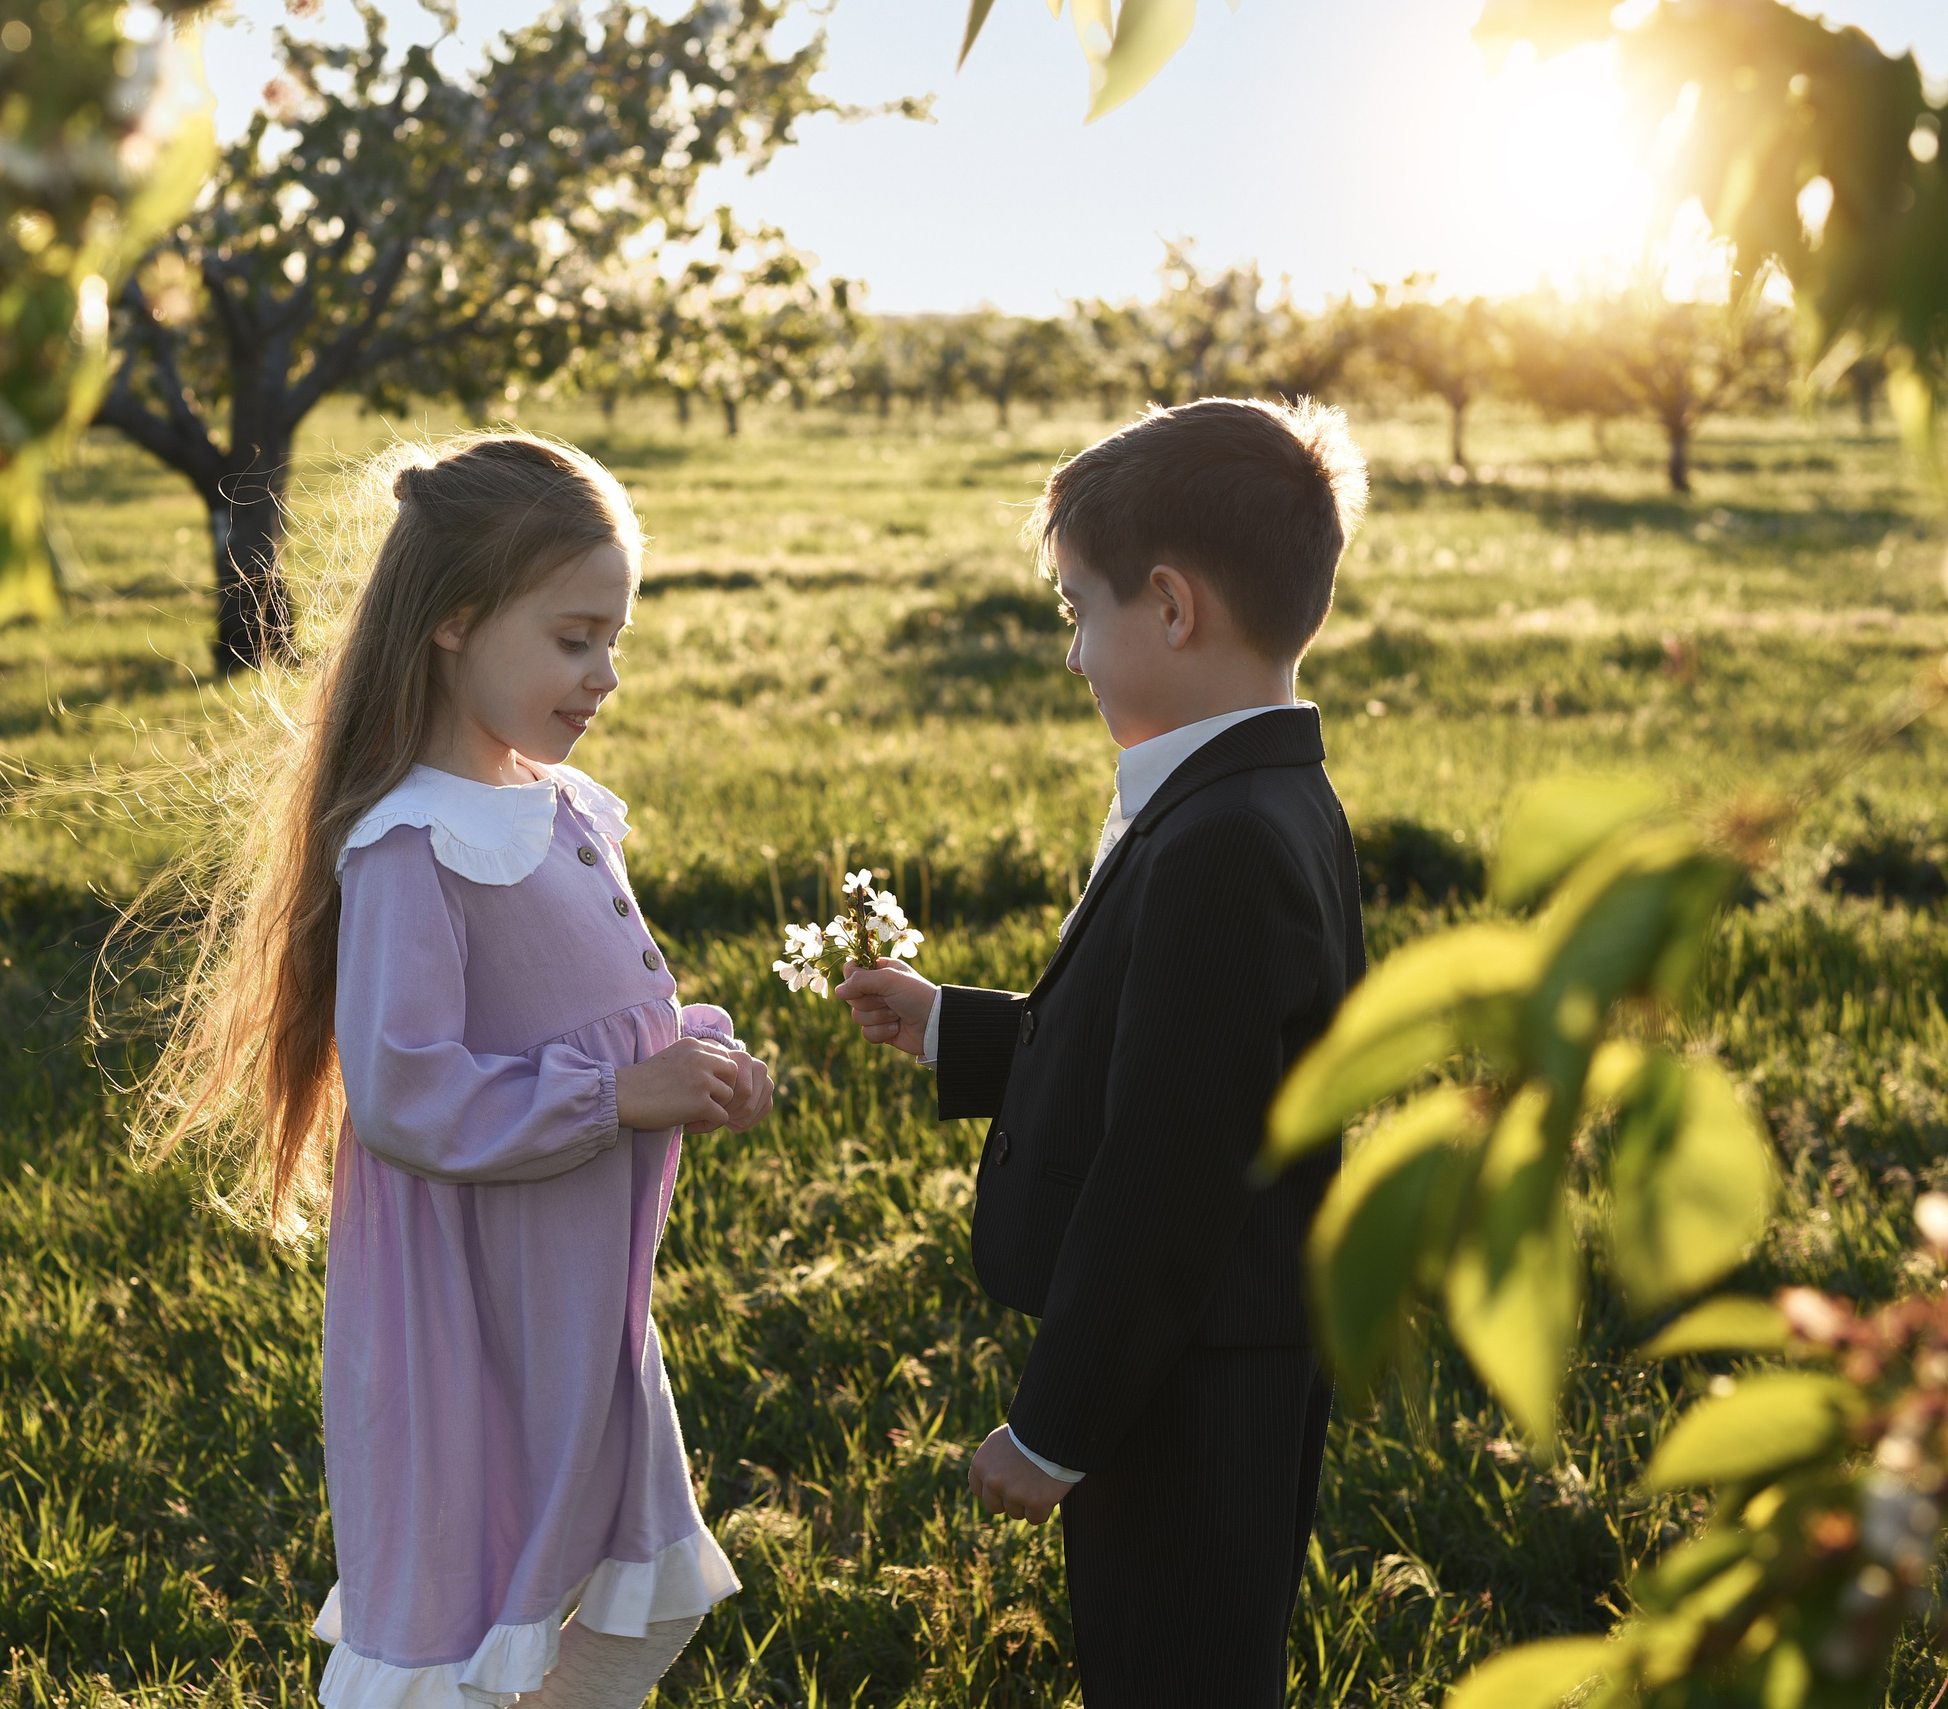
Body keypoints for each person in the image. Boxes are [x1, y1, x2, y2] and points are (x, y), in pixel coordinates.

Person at [139, 433, 775, 1708]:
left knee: (610, 1613)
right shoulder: (411, 847)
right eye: (574, 637)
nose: (603, 673)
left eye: (615, 638)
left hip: (574, 1308)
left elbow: (591, 1018)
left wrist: (687, 1058)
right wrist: (616, 1095)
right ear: (455, 622)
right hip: (475, 1319)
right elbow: (405, 1087)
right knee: (488, 1626)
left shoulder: (560, 808)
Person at [836, 398, 1370, 1707]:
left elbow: (1171, 1165)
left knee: (1174, 1673)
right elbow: (1178, 1060)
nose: (1073, 654)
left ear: (1172, 608)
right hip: (1204, 1355)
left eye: (1079, 610)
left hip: (1185, 1381)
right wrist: (958, 1027)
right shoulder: (1254, 791)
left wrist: (1057, 1425)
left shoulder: (1223, 841)